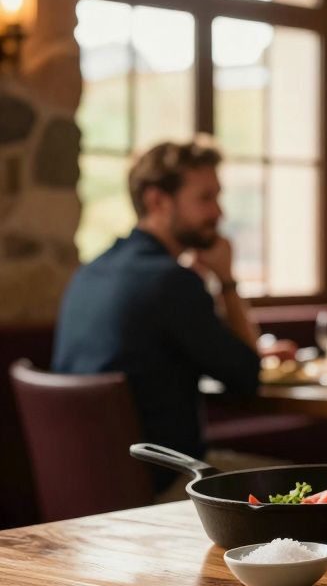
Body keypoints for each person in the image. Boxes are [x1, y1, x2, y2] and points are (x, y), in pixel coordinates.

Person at [53, 138, 267, 495]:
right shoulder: (170, 282)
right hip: (164, 486)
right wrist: (227, 281)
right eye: (205, 198)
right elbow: (248, 377)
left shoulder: (89, 273)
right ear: (157, 201)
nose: (220, 213)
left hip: (85, 492)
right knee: (304, 487)